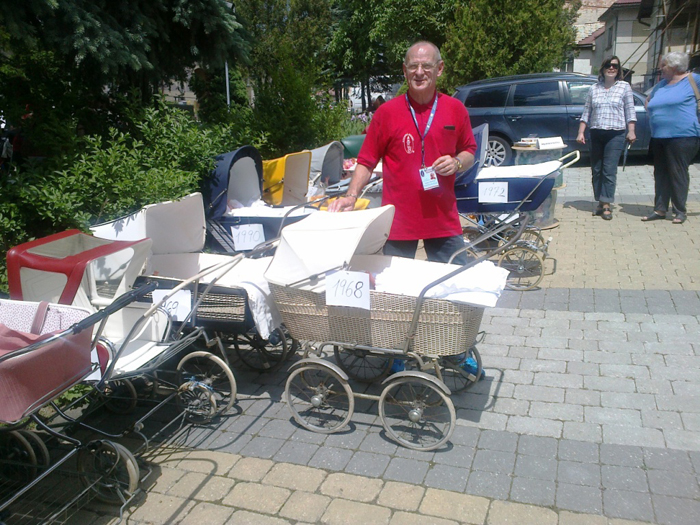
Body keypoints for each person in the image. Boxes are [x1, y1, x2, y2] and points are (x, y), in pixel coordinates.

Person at [329, 41, 476, 265]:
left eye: (426, 66)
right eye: (413, 66)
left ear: (439, 68)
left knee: (454, 281)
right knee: (394, 284)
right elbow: (366, 161)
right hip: (398, 221)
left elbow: (469, 151)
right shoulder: (386, 113)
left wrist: (457, 162)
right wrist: (351, 195)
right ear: (404, 70)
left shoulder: (455, 109)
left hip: (443, 219)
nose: (419, 72)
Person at [642, 51, 700, 225]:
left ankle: (679, 211)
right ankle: (660, 209)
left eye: (664, 65)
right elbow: (649, 100)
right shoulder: (662, 84)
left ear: (675, 66)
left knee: (677, 172)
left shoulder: (693, 80)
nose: (660, 68)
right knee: (660, 173)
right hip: (659, 136)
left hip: (683, 136)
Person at [576, 56, 637, 221]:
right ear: (602, 69)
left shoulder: (624, 87)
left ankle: (606, 204)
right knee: (596, 169)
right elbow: (587, 112)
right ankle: (600, 201)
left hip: (615, 134)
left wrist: (631, 131)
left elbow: (630, 111)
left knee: (609, 170)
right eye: (608, 65)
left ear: (619, 69)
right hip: (596, 132)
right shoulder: (594, 88)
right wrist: (581, 132)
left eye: (615, 66)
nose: (611, 68)